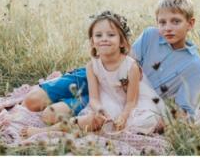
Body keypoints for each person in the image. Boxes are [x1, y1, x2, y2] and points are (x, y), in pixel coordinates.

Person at [23, 0, 200, 125]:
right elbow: (124, 59)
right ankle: (61, 88)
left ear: (190, 24)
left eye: (176, 21)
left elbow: (185, 113)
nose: (167, 28)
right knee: (32, 101)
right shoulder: (151, 35)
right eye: (162, 22)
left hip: (121, 99)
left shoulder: (193, 65)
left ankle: (72, 109)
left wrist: (148, 121)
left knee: (51, 115)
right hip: (103, 73)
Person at [26, 11, 165, 136]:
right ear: (92, 42)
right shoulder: (92, 66)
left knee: (143, 122)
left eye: (111, 35)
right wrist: (99, 109)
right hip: (108, 100)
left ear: (122, 42)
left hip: (131, 105)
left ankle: (103, 129)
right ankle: (44, 132)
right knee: (92, 120)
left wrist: (123, 116)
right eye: (98, 35)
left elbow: (131, 101)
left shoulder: (131, 66)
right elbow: (94, 99)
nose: (104, 38)